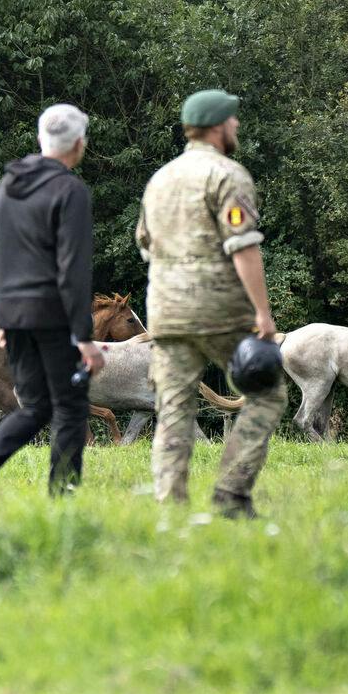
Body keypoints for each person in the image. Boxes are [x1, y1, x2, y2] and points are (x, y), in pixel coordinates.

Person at [134, 89, 286, 519]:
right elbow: (243, 246)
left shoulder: (159, 179)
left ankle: (171, 508)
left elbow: (145, 244)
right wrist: (263, 313)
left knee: (173, 409)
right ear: (218, 126)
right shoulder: (229, 175)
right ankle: (231, 492)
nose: (237, 126)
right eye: (234, 121)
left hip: (164, 312)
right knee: (268, 395)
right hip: (220, 310)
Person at [0, 103, 105, 496]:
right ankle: (62, 499)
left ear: (41, 139)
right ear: (78, 144)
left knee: (37, 407)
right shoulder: (70, 191)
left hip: (15, 317)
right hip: (53, 316)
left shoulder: (7, 186)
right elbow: (73, 269)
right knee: (70, 408)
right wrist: (84, 336)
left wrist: (0, 317)